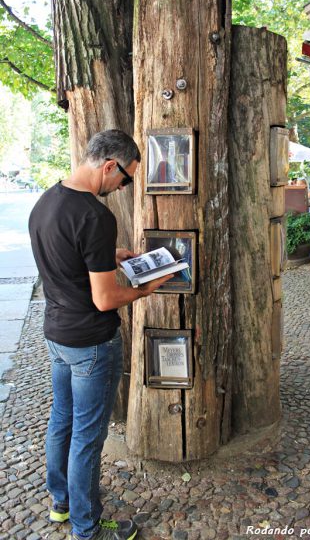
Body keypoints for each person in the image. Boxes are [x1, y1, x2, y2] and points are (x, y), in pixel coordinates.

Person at [29, 129, 173, 540]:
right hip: (91, 342)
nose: (124, 186)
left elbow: (64, 255)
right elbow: (106, 299)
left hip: (57, 333)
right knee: (89, 438)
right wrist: (144, 289)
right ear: (109, 165)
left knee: (62, 422)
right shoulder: (95, 216)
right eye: (126, 178)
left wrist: (110, 255)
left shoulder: (47, 201)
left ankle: (61, 504)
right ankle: (87, 527)